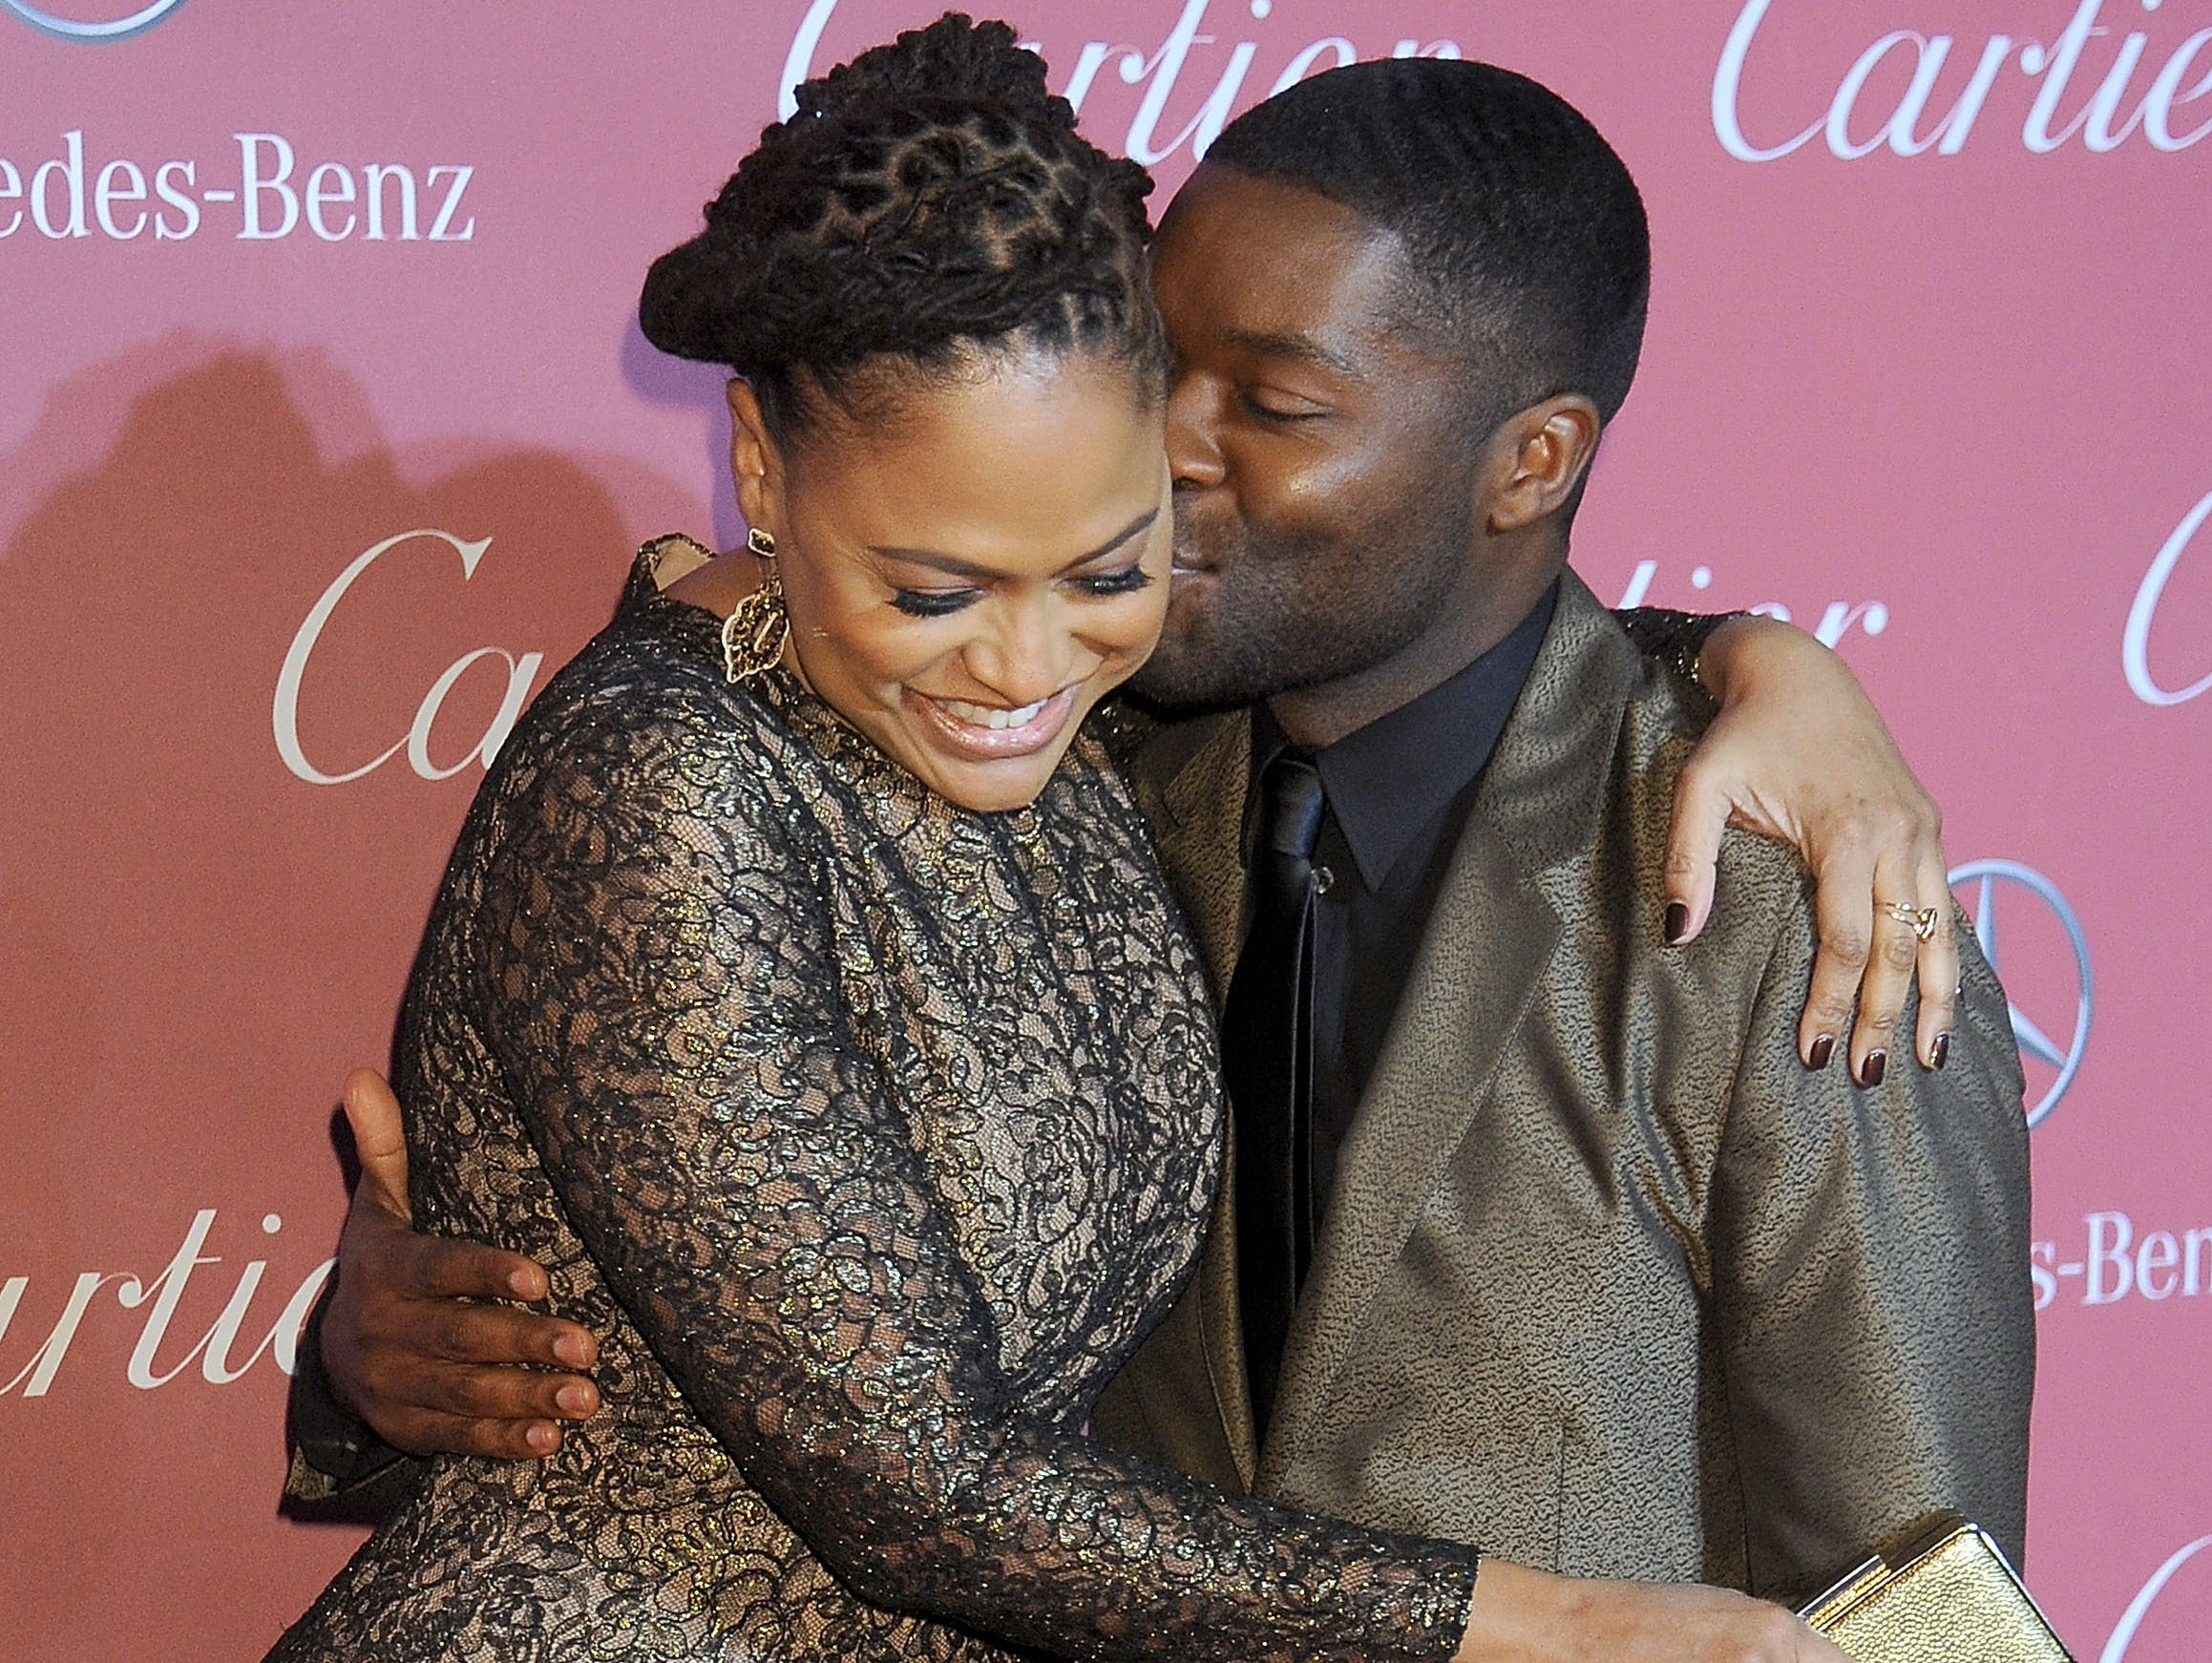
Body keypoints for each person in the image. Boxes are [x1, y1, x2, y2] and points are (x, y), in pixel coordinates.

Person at [274, 23, 1997, 1663]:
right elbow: (876, 1419)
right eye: (1163, 363)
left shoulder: (1788, 905)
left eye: (1272, 401)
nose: (1161, 457)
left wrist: (1761, 656)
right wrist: (370, 1347)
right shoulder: (1087, 756)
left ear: (1529, 462)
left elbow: (1917, 1577)